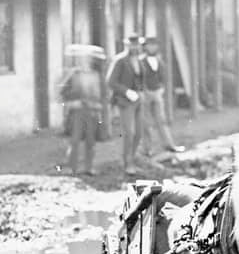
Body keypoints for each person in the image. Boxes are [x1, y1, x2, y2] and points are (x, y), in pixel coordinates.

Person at [59, 44, 106, 176]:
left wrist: (99, 105)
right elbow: (62, 92)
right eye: (83, 58)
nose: (85, 61)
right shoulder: (74, 75)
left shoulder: (97, 75)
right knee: (75, 140)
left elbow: (103, 94)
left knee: (90, 140)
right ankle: (71, 167)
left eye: (88, 58)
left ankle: (88, 167)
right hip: (77, 112)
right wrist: (72, 103)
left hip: (92, 112)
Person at [106, 33, 147, 176]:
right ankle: (127, 164)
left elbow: (141, 80)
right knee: (129, 133)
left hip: (138, 101)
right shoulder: (120, 61)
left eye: (137, 45)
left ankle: (132, 159)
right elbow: (110, 82)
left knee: (139, 133)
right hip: (125, 101)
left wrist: (141, 92)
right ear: (127, 45)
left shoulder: (139, 61)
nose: (135, 48)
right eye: (132, 45)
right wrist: (127, 91)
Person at [138, 35, 183, 155]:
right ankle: (147, 149)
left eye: (154, 45)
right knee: (145, 123)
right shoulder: (140, 61)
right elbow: (137, 78)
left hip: (157, 93)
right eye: (149, 45)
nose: (152, 47)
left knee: (161, 120)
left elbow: (163, 76)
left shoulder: (159, 60)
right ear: (145, 47)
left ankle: (169, 145)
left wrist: (161, 88)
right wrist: (142, 90)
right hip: (145, 94)